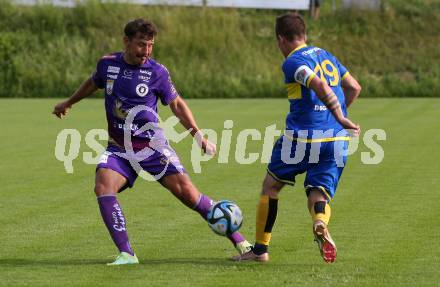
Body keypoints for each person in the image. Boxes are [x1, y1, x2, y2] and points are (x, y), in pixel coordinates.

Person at [52, 18, 251, 265]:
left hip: (152, 148)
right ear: (126, 41)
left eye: (150, 45)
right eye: (141, 45)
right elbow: (93, 83)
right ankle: (127, 253)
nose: (146, 51)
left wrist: (199, 136)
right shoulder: (108, 65)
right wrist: (68, 102)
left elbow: (177, 105)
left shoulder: (157, 72)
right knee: (103, 186)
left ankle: (242, 242)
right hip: (119, 149)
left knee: (190, 195)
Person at [234, 13, 361, 263]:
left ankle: (260, 251)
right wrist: (338, 118)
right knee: (318, 192)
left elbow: (320, 87)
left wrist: (339, 115)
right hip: (336, 140)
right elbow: (354, 87)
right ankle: (320, 222)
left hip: (302, 138)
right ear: (304, 35)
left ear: (280, 39)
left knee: (271, 187)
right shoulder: (326, 55)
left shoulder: (293, 62)